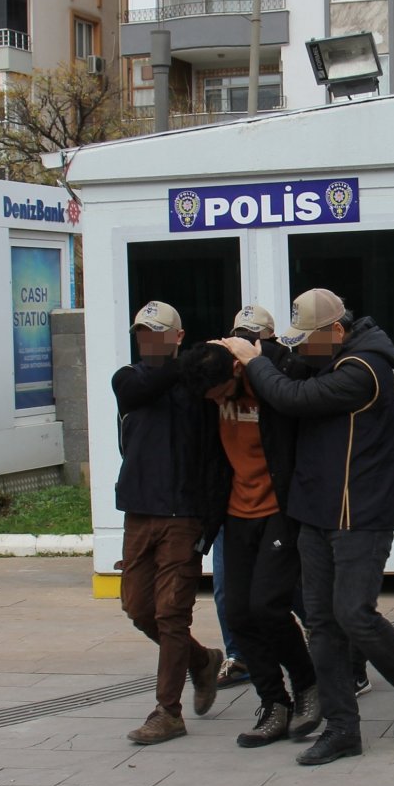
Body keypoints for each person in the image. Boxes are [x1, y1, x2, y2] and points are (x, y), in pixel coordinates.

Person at [218, 289, 394, 767]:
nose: (301, 350)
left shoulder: (363, 370)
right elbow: (290, 376)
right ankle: (342, 728)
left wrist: (255, 362)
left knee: (353, 612)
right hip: (315, 511)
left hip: (361, 516)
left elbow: (290, 396)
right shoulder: (329, 358)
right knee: (321, 623)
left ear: (336, 331)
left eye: (308, 340)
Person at [110, 301, 227, 745]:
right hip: (139, 512)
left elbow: (218, 457)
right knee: (138, 609)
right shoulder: (130, 379)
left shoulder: (199, 387)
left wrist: (210, 522)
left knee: (171, 613)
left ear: (177, 336)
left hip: (185, 516)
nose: (150, 342)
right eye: (143, 334)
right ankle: (201, 661)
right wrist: (193, 362)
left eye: (160, 334)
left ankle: (168, 711)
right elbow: (144, 386)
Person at [200, 332, 322, 749]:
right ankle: (274, 702)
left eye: (221, 394)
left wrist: (257, 358)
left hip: (278, 512)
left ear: (236, 370)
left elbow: (296, 382)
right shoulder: (210, 385)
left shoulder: (273, 383)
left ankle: (308, 686)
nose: (217, 402)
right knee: (236, 613)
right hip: (236, 513)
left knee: (268, 606)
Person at [211, 304, 278, 691]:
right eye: (239, 335)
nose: (244, 343)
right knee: (227, 591)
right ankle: (239, 656)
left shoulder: (274, 381)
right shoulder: (221, 384)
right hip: (233, 505)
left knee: (285, 593)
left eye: (254, 337)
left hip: (275, 506)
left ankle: (339, 651)